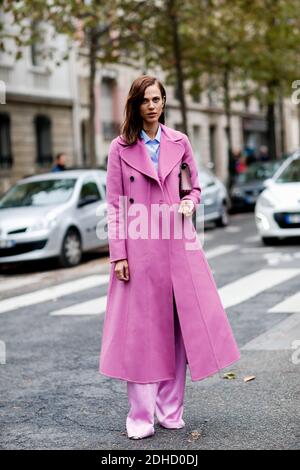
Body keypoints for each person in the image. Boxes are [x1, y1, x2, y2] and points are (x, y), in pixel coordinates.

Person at [98, 75, 240, 440]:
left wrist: (191, 200)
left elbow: (194, 185)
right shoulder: (120, 148)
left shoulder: (180, 142)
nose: (152, 105)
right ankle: (141, 415)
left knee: (177, 331)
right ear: (135, 104)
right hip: (140, 248)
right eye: (145, 100)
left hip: (178, 244)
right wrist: (119, 256)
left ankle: (171, 410)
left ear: (164, 102)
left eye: (157, 99)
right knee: (140, 334)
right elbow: (114, 205)